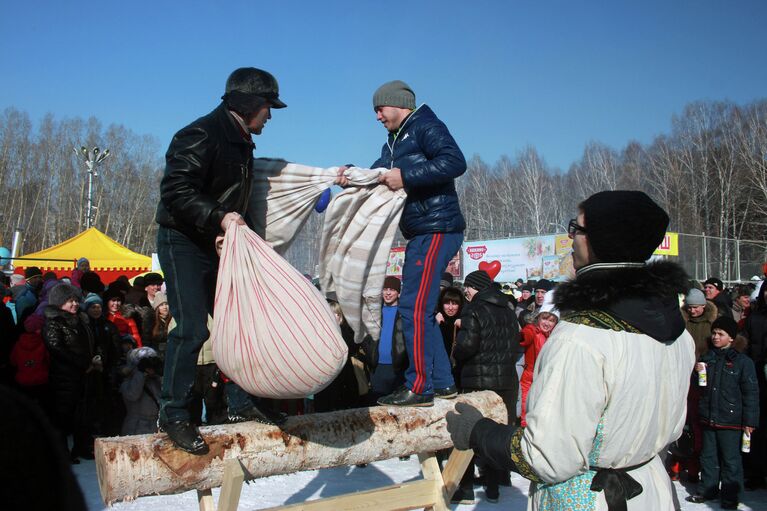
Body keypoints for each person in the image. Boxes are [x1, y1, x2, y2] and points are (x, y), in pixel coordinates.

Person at [446, 190, 695, 510]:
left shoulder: (580, 339)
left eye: (576, 229)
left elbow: (547, 456)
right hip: (650, 490)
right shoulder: (676, 332)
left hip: (591, 497)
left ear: (599, 241)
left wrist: (478, 430)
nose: (571, 237)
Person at [154, 67, 290, 453]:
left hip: (215, 242)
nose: (270, 114)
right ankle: (174, 413)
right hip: (182, 242)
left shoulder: (242, 139)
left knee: (241, 323)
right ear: (248, 104)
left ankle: (242, 402)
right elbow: (176, 190)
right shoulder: (200, 133)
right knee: (193, 329)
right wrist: (220, 217)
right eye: (267, 106)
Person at [371, 80, 467, 407]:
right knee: (419, 311)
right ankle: (442, 383)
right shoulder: (395, 141)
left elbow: (455, 161)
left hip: (437, 227)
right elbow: (379, 172)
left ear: (398, 104)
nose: (378, 117)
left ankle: (420, 386)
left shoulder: (425, 125)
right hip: (421, 230)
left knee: (412, 308)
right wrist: (349, 178)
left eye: (379, 109)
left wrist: (407, 177)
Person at [450, 269, 520, 504]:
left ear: (475, 287)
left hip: (478, 381)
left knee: (469, 431)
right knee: (494, 432)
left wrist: (455, 352)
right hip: (507, 381)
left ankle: (466, 488)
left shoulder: (474, 308)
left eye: (467, 288)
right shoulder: (509, 310)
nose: (466, 292)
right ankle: (493, 487)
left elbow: (467, 346)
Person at [686, 316, 759, 509]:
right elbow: (698, 386)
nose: (716, 337)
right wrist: (696, 373)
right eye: (715, 333)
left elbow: (751, 393)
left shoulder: (743, 362)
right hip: (709, 416)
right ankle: (707, 489)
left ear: (732, 338)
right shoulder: (707, 356)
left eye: (721, 334)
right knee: (708, 457)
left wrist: (750, 421)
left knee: (730, 460)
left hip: (732, 420)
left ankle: (730, 495)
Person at [42, 283, 98, 463]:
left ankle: (81, 447)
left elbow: (90, 343)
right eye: (70, 301)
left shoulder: (81, 320)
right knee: (62, 418)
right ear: (60, 303)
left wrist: (95, 358)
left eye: (76, 300)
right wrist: (83, 364)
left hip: (84, 375)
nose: (74, 304)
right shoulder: (54, 322)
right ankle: (61, 454)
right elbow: (56, 348)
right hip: (64, 378)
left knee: (82, 415)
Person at [743, 283, 767, 490]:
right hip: (758, 377)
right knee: (758, 428)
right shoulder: (755, 319)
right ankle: (756, 471)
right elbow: (747, 345)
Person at [368, 276, 407, 403]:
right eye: (385, 289)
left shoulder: (404, 314)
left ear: (398, 293)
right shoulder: (374, 313)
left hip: (397, 368)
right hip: (377, 367)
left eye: (392, 289)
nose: (388, 293)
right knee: (377, 406)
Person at [519, 308, 558, 427]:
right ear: (538, 318)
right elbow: (526, 335)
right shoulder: (533, 330)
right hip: (528, 377)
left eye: (552, 320)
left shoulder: (554, 336)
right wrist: (522, 335)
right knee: (526, 404)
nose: (547, 323)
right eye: (545, 318)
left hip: (544, 378)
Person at [120, 347, 163, 435]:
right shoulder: (128, 382)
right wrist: (141, 373)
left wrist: (159, 373)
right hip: (136, 427)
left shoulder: (154, 381)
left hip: (154, 424)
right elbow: (133, 395)